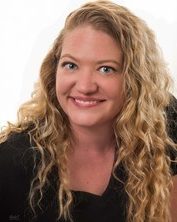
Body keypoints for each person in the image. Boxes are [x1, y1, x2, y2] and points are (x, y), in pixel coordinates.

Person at [0, 1, 177, 221]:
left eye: (106, 69)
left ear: (135, 80)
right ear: (53, 71)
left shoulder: (164, 125)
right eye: (71, 65)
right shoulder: (12, 160)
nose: (85, 86)